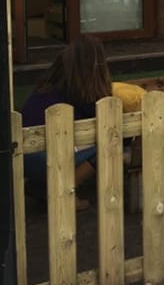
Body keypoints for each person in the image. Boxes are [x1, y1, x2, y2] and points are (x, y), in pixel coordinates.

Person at [22, 35, 113, 211]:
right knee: (112, 143)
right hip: (46, 158)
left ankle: (43, 186)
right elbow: (105, 121)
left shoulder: (49, 85)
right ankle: (62, 192)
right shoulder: (81, 92)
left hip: (24, 160)